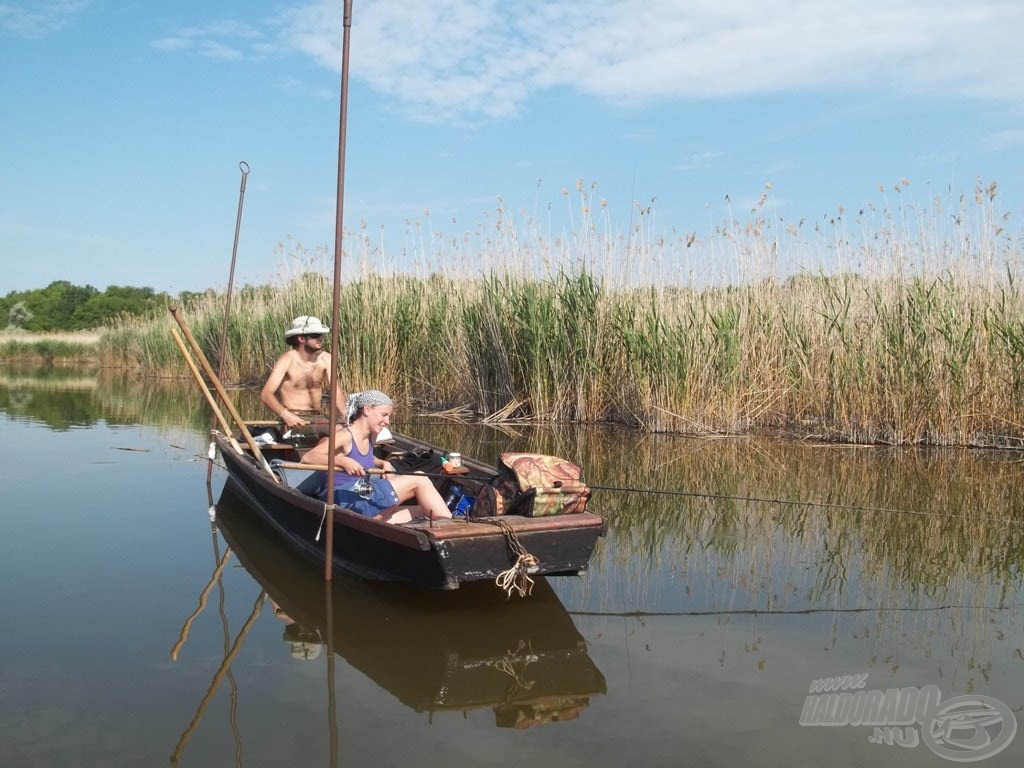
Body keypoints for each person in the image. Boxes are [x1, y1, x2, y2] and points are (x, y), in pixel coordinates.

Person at [301, 390, 453, 525]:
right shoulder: (345, 435)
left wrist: (383, 462)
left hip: (362, 497)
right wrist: (342, 461)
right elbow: (309, 456)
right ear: (367, 409)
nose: (387, 422)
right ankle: (450, 528)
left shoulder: (369, 438)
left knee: (426, 510)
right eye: (384, 415)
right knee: (419, 478)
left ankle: (443, 532)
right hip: (345, 501)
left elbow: (364, 457)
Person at [260, 315, 347, 433]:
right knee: (337, 432)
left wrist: (347, 417)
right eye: (315, 335)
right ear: (301, 339)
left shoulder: (326, 359)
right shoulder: (288, 359)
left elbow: (336, 392)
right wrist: (286, 415)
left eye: (321, 335)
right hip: (295, 419)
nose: (320, 338)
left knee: (347, 431)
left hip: (317, 417)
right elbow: (266, 394)